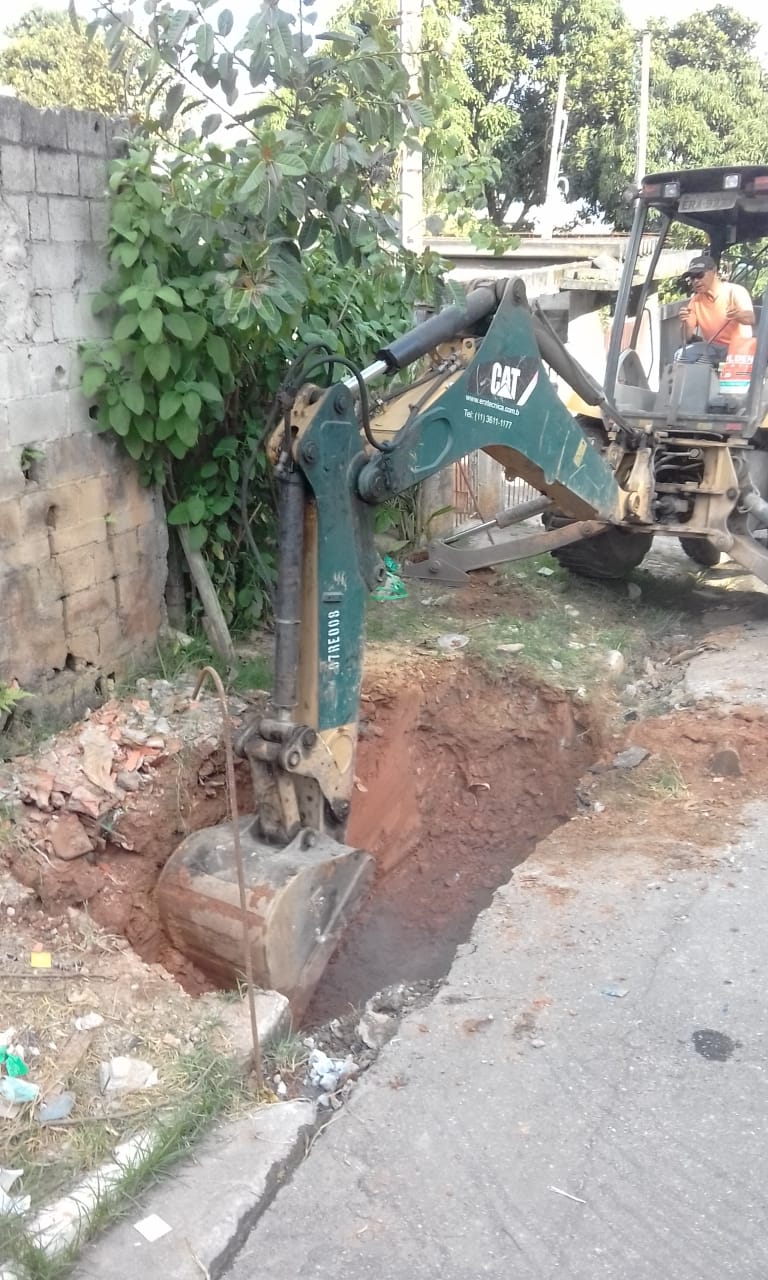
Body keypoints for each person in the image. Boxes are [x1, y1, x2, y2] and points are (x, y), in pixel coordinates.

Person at [677, 254, 755, 365]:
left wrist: (738, 315)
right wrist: (684, 322)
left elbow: (750, 319)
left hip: (739, 348)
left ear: (714, 271)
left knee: (702, 365)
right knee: (682, 356)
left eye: (700, 275)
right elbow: (686, 338)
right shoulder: (695, 301)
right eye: (692, 277)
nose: (696, 281)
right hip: (712, 347)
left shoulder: (735, 291)